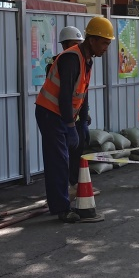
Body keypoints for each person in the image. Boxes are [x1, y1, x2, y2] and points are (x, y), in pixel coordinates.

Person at [34, 16, 114, 222]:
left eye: (108, 43)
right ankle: (61, 209)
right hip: (50, 113)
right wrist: (70, 125)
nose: (106, 48)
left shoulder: (87, 60)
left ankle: (61, 200)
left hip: (63, 115)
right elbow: (64, 95)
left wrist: (83, 121)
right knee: (58, 161)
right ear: (92, 40)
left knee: (66, 159)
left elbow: (82, 92)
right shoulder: (71, 58)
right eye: (104, 43)